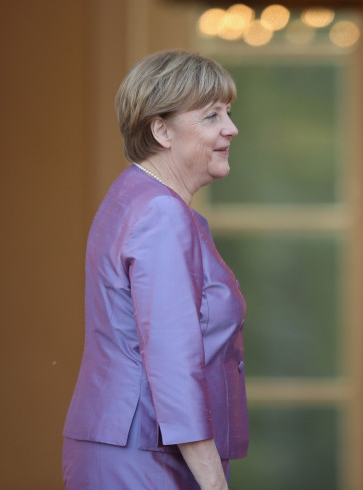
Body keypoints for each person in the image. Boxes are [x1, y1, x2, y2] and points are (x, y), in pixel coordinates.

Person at [62, 50, 248, 490]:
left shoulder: (134, 195)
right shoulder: (161, 212)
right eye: (211, 115)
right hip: (147, 457)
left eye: (228, 112)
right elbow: (172, 360)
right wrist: (214, 482)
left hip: (132, 447)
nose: (231, 127)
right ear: (161, 130)